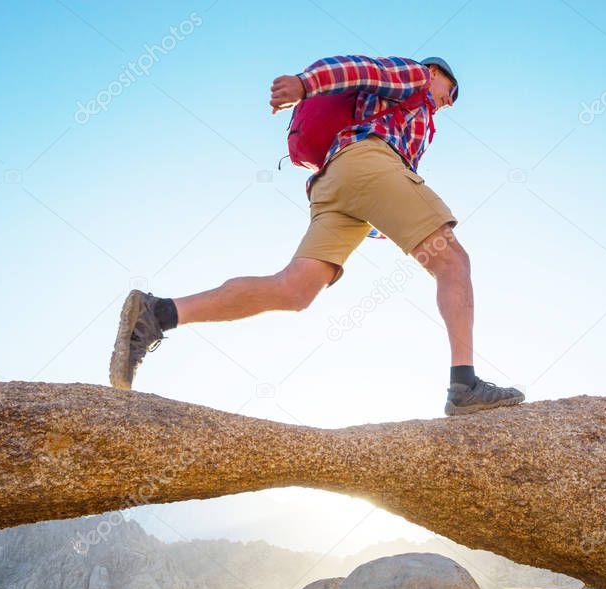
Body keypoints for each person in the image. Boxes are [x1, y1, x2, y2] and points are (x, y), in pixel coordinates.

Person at [109, 54, 525, 415]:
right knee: (454, 261)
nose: (448, 102)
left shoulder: (419, 122)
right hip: (367, 162)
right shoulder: (415, 75)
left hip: (334, 185)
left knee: (293, 290)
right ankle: (465, 385)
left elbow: (385, 188)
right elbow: (361, 69)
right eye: (451, 90)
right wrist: (306, 86)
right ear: (437, 73)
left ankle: (158, 314)